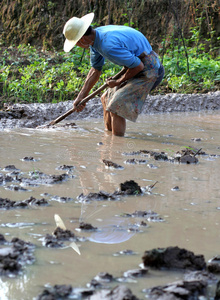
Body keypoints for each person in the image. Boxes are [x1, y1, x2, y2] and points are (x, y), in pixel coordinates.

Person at [63, 12, 164, 137]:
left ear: (82, 39)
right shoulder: (95, 39)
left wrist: (118, 81)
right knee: (105, 98)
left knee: (116, 105)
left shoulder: (108, 45)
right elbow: (95, 70)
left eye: (75, 43)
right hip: (134, 66)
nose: (77, 46)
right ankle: (109, 136)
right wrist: (81, 97)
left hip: (151, 69)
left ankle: (115, 147)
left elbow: (139, 66)